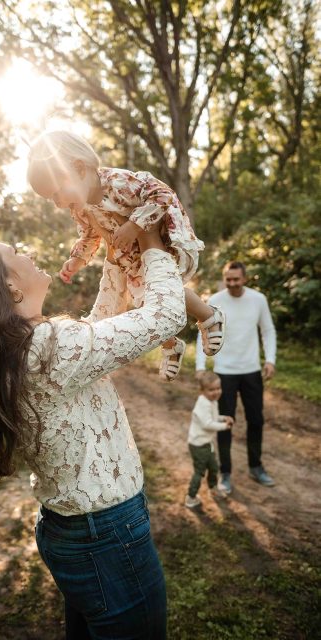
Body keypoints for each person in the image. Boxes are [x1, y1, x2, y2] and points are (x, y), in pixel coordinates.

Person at [0, 227, 187, 639]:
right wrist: (150, 243)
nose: (28, 252)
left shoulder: (20, 348)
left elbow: (98, 332)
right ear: (9, 285)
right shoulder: (48, 346)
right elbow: (165, 316)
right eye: (15, 251)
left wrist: (113, 256)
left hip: (73, 530)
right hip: (108, 535)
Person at [27, 130, 225, 381]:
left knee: (166, 291)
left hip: (161, 241)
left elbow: (162, 195)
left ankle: (208, 316)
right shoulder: (79, 207)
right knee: (146, 303)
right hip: (132, 258)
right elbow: (89, 235)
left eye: (56, 193)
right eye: (50, 199)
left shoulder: (118, 183)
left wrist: (134, 225)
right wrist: (77, 259)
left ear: (78, 169)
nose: (56, 203)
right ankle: (171, 345)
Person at [195, 260, 277, 494]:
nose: (231, 283)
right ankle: (226, 473)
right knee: (224, 424)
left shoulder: (258, 299)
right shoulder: (215, 300)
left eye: (236, 279)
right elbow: (204, 332)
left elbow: (268, 331)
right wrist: (200, 366)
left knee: (256, 421)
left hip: (251, 371)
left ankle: (256, 467)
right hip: (224, 373)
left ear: (245, 278)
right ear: (224, 278)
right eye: (228, 279)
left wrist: (270, 360)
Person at [185, 371, 233, 509]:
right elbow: (207, 424)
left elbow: (213, 417)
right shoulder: (202, 404)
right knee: (199, 472)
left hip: (207, 443)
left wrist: (223, 418)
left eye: (218, 388)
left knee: (214, 467)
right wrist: (225, 426)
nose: (216, 392)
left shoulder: (212, 401)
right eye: (211, 390)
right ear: (202, 390)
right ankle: (191, 497)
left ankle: (213, 488)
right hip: (198, 444)